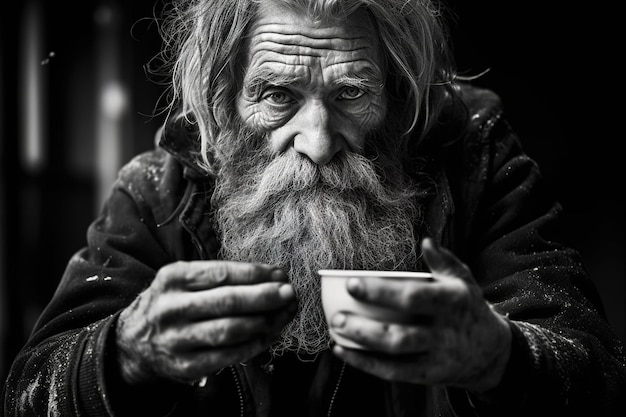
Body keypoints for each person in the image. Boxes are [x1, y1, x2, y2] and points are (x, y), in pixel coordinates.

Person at [3, 0, 625, 415]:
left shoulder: (476, 160)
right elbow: (31, 394)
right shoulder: (158, 192)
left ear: (400, 96)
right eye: (277, 94)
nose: (319, 141)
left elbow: (597, 377)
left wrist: (500, 356)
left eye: (352, 93)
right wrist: (126, 353)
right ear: (224, 102)